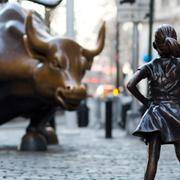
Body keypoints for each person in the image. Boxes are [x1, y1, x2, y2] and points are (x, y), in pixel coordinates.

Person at [127, 24, 180, 180]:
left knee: (152, 159)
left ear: (154, 46)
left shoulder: (149, 66)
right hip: (177, 113)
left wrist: (146, 102)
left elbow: (130, 85)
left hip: (155, 115)